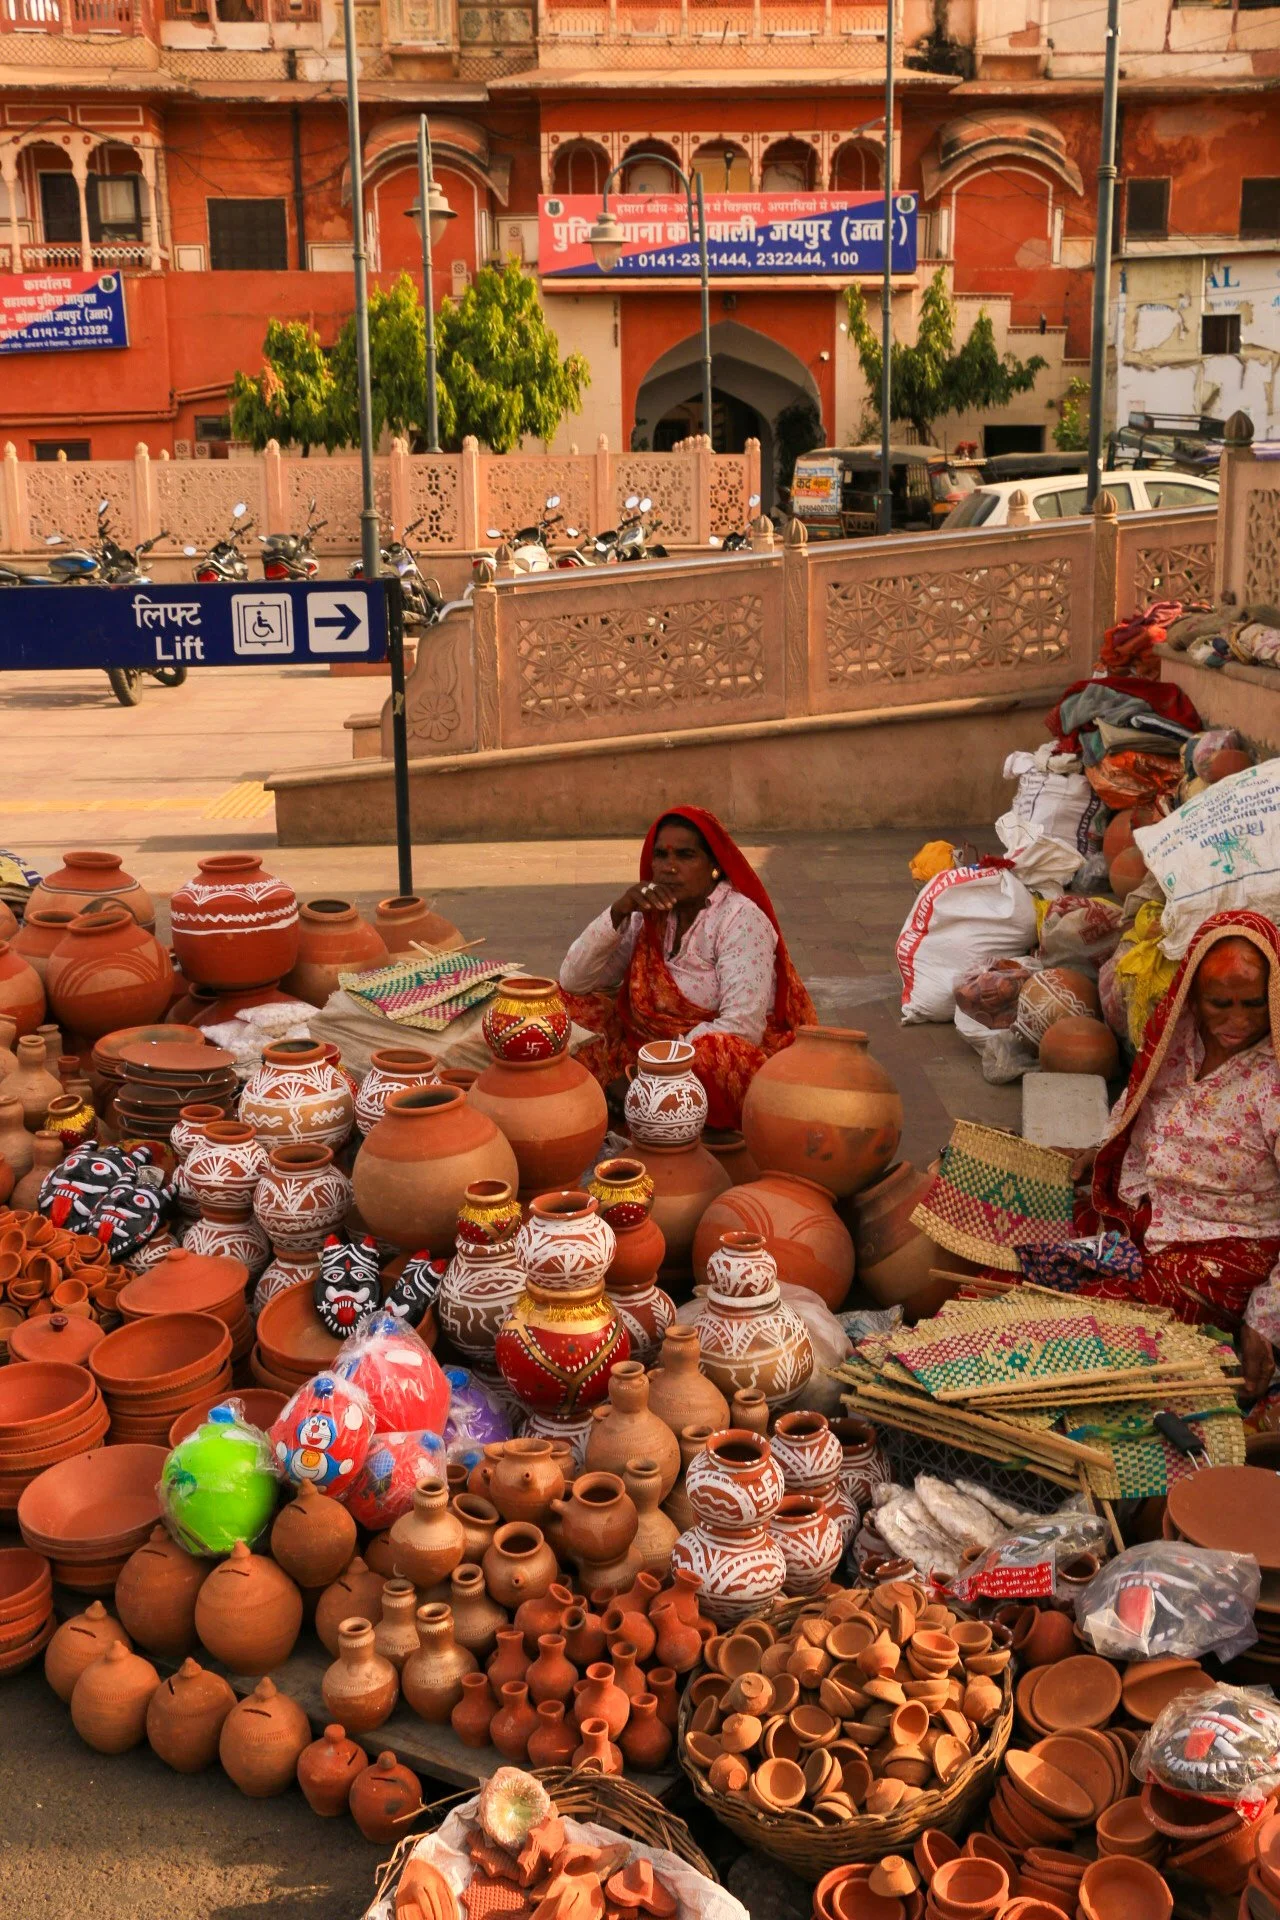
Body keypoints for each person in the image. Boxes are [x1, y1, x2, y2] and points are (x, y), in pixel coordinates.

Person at [1088, 910, 1280, 1395]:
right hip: (1152, 1221)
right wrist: (1103, 1151)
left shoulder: (1273, 1081)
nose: (1237, 1021)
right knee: (1031, 1265)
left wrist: (1268, 1315)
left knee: (1096, 1326)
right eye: (1220, 1003)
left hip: (1229, 1252)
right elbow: (1144, 1119)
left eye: (1253, 1004)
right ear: (1193, 995)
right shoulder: (1178, 1044)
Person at [558, 805, 815, 1131]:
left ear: (715, 868)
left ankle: (672, 1125)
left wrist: (644, 1076)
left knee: (716, 1050)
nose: (669, 868)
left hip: (715, 1063)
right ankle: (605, 1116)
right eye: (661, 856)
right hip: (643, 1052)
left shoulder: (740, 919)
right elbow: (575, 980)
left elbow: (741, 1027)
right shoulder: (646, 914)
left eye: (685, 855)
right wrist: (619, 911)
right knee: (563, 1006)